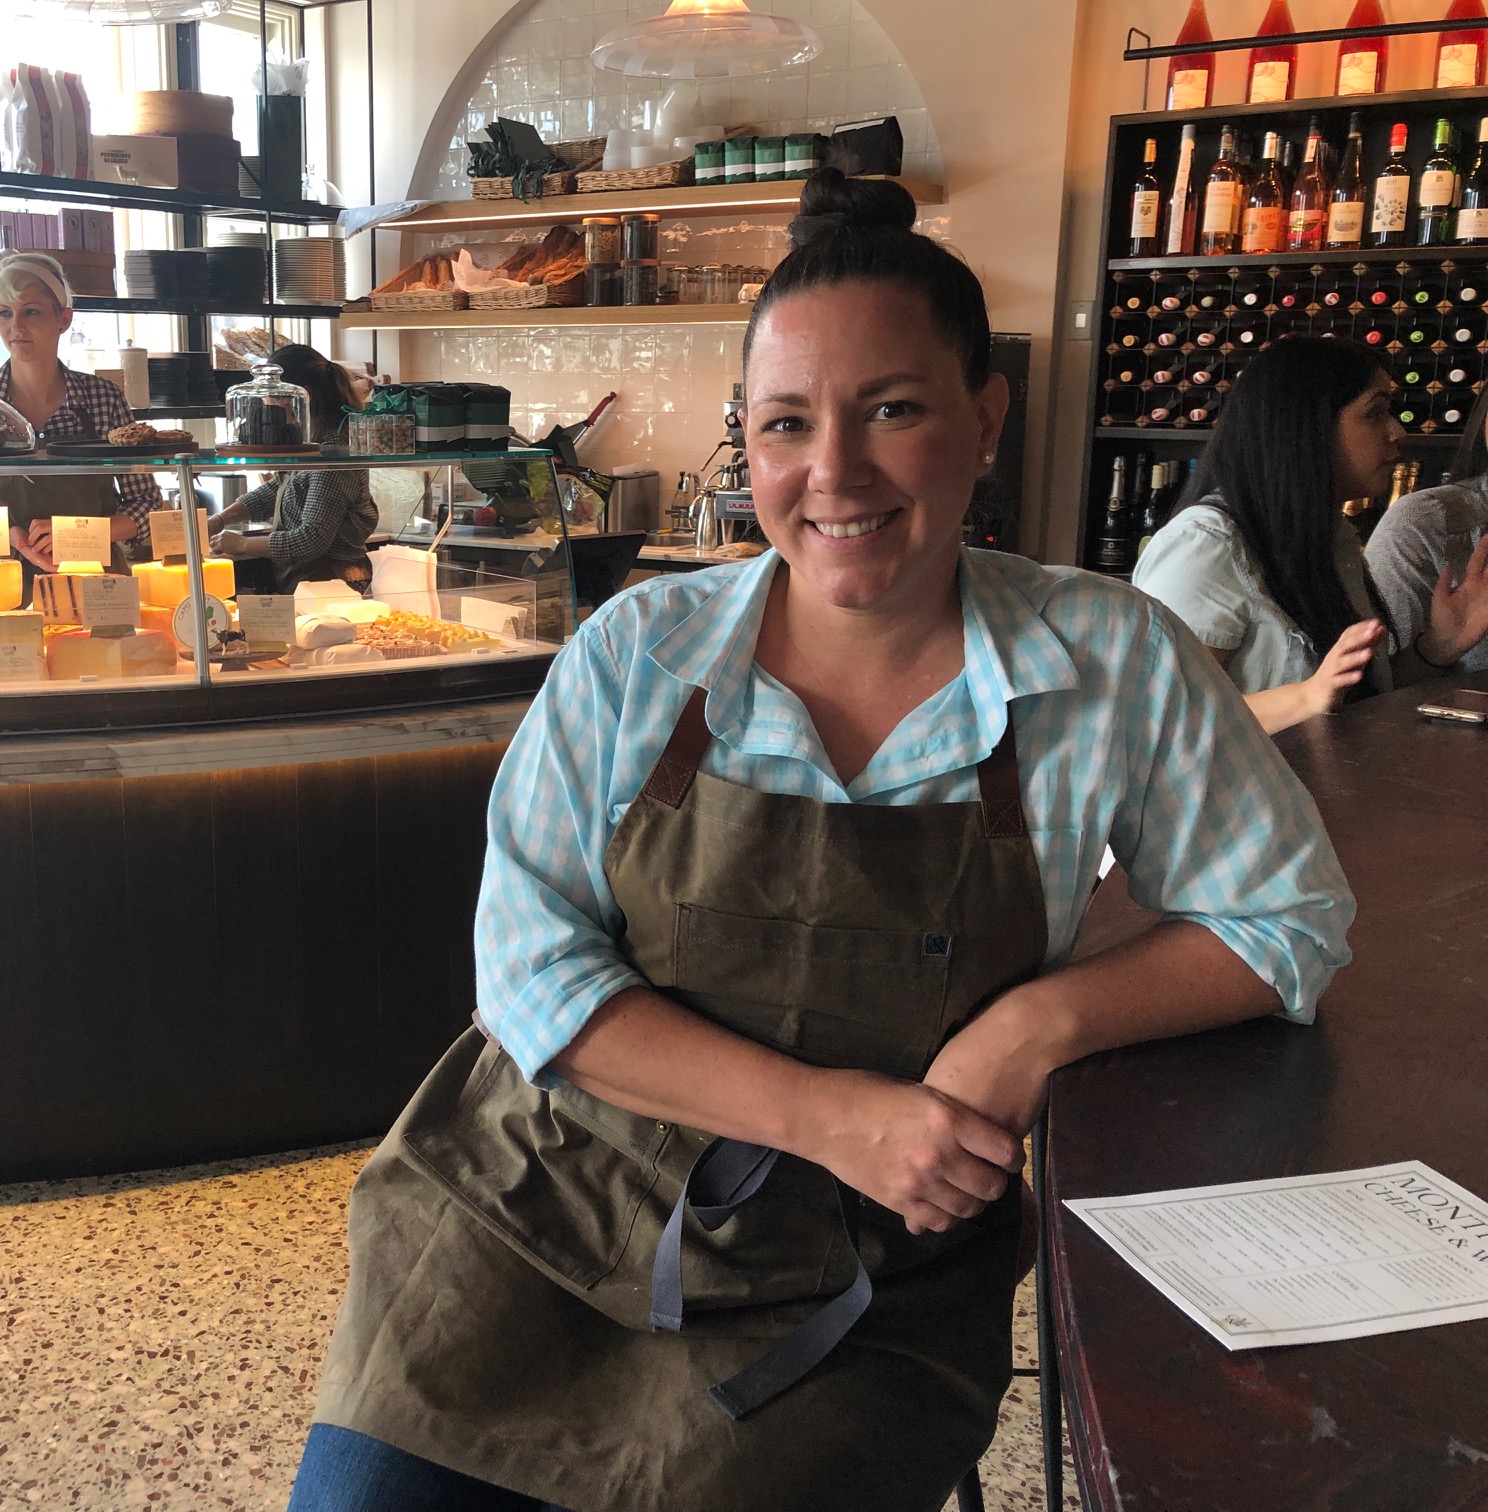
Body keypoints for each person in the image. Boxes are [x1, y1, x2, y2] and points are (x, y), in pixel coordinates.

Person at [288, 171, 1355, 1512]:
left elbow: (1287, 920)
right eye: (787, 423)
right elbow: (526, 972)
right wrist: (838, 1117)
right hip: (536, 1208)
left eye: (892, 410)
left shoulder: (1112, 662)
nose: (833, 473)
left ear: (985, 419)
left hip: (863, 1276)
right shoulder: (636, 655)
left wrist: (1037, 1027)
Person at [1131, 338, 1402, 735]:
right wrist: (1304, 699)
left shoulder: (1330, 538)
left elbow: (1362, 705)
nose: (1397, 431)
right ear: (1304, 426)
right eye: (1375, 413)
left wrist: (1438, 647)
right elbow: (1158, 722)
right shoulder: (1207, 546)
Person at [0, 252, 161, 583]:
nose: (16, 327)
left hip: (96, 580)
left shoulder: (103, 398)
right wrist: (8, 536)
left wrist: (82, 534)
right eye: (5, 313)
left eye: (31, 311)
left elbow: (147, 502)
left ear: (64, 319)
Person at [208, 345, 378, 594]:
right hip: (312, 584)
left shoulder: (333, 454)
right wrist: (220, 519)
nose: (269, 413)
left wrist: (242, 544)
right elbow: (281, 486)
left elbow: (311, 540)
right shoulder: (313, 444)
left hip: (335, 586)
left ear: (303, 397)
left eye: (273, 403)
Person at [1364, 383, 1488, 680]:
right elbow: (1376, 691)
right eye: (1375, 413)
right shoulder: (1426, 525)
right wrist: (1442, 647)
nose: (1396, 432)